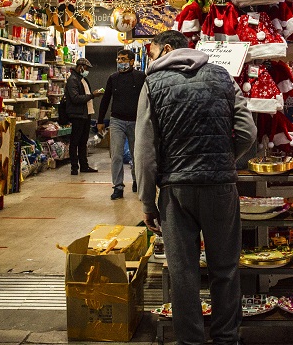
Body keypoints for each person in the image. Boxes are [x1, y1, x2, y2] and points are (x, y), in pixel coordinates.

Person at [135, 30, 257, 345]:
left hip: (176, 191)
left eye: (152, 52)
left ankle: (190, 340)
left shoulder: (152, 84)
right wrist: (225, 159)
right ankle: (226, 338)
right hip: (220, 188)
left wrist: (148, 202)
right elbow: (247, 131)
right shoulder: (223, 77)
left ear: (165, 49)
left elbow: (145, 153)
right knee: (225, 267)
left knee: (184, 272)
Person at [97, 49, 146, 200]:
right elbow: (105, 99)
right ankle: (118, 186)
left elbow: (147, 97)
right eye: (118, 59)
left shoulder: (141, 77)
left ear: (132, 61)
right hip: (116, 120)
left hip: (136, 120)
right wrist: (100, 120)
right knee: (116, 155)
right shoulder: (113, 78)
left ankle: (137, 181)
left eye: (123, 59)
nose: (120, 62)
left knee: (136, 154)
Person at [64, 58, 104, 175]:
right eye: (86, 68)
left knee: (83, 142)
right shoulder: (73, 80)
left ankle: (84, 166)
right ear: (80, 66)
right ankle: (74, 167)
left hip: (85, 114)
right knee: (75, 141)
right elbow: (75, 98)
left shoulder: (83, 79)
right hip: (77, 115)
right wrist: (92, 95)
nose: (87, 71)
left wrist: (93, 95)